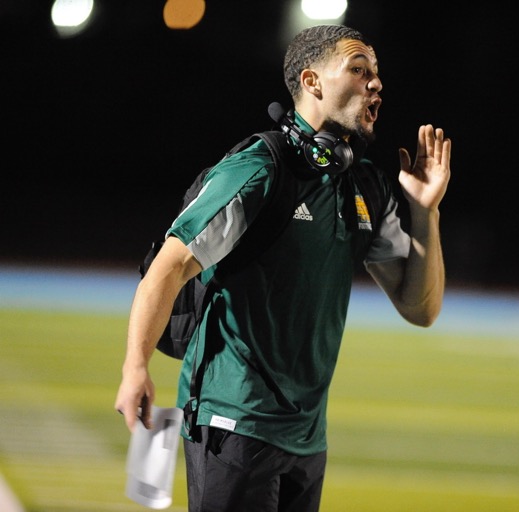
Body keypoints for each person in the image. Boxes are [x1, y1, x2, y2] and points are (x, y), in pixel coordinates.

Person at [115, 23, 451, 512]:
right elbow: (168, 267)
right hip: (234, 422)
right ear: (312, 83)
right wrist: (135, 367)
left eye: (376, 73)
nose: (375, 83)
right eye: (358, 70)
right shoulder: (261, 168)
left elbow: (420, 308)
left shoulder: (364, 187)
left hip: (307, 437)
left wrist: (426, 212)